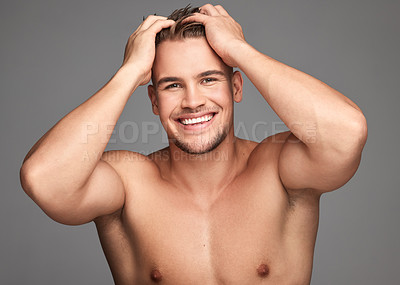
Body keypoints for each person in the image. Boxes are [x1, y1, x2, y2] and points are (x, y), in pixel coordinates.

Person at [20, 4, 367, 285]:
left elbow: (347, 132)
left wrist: (239, 50)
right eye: (172, 85)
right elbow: (44, 180)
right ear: (154, 101)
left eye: (208, 79)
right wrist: (129, 72)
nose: (192, 101)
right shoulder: (129, 184)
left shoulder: (278, 170)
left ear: (236, 88)